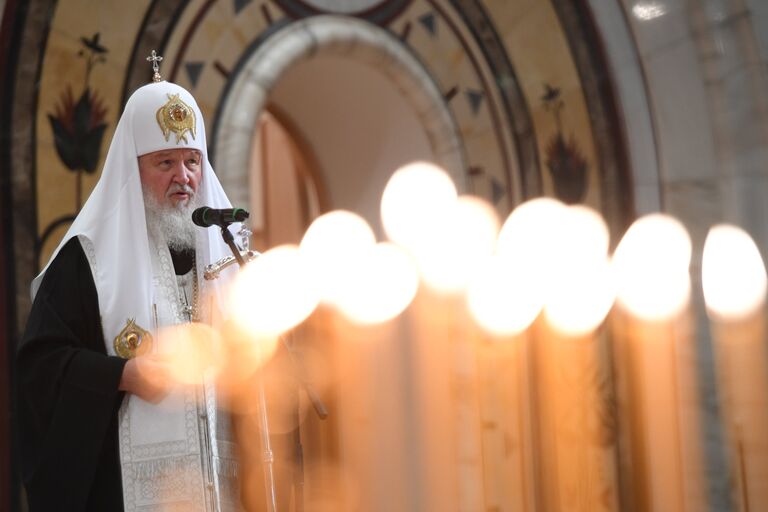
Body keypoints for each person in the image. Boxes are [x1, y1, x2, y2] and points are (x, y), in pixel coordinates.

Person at [16, 55, 244, 511]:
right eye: (166, 162)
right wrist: (123, 374)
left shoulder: (227, 249)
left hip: (222, 488)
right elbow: (41, 369)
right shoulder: (87, 259)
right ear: (133, 168)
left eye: (192, 162)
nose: (184, 178)